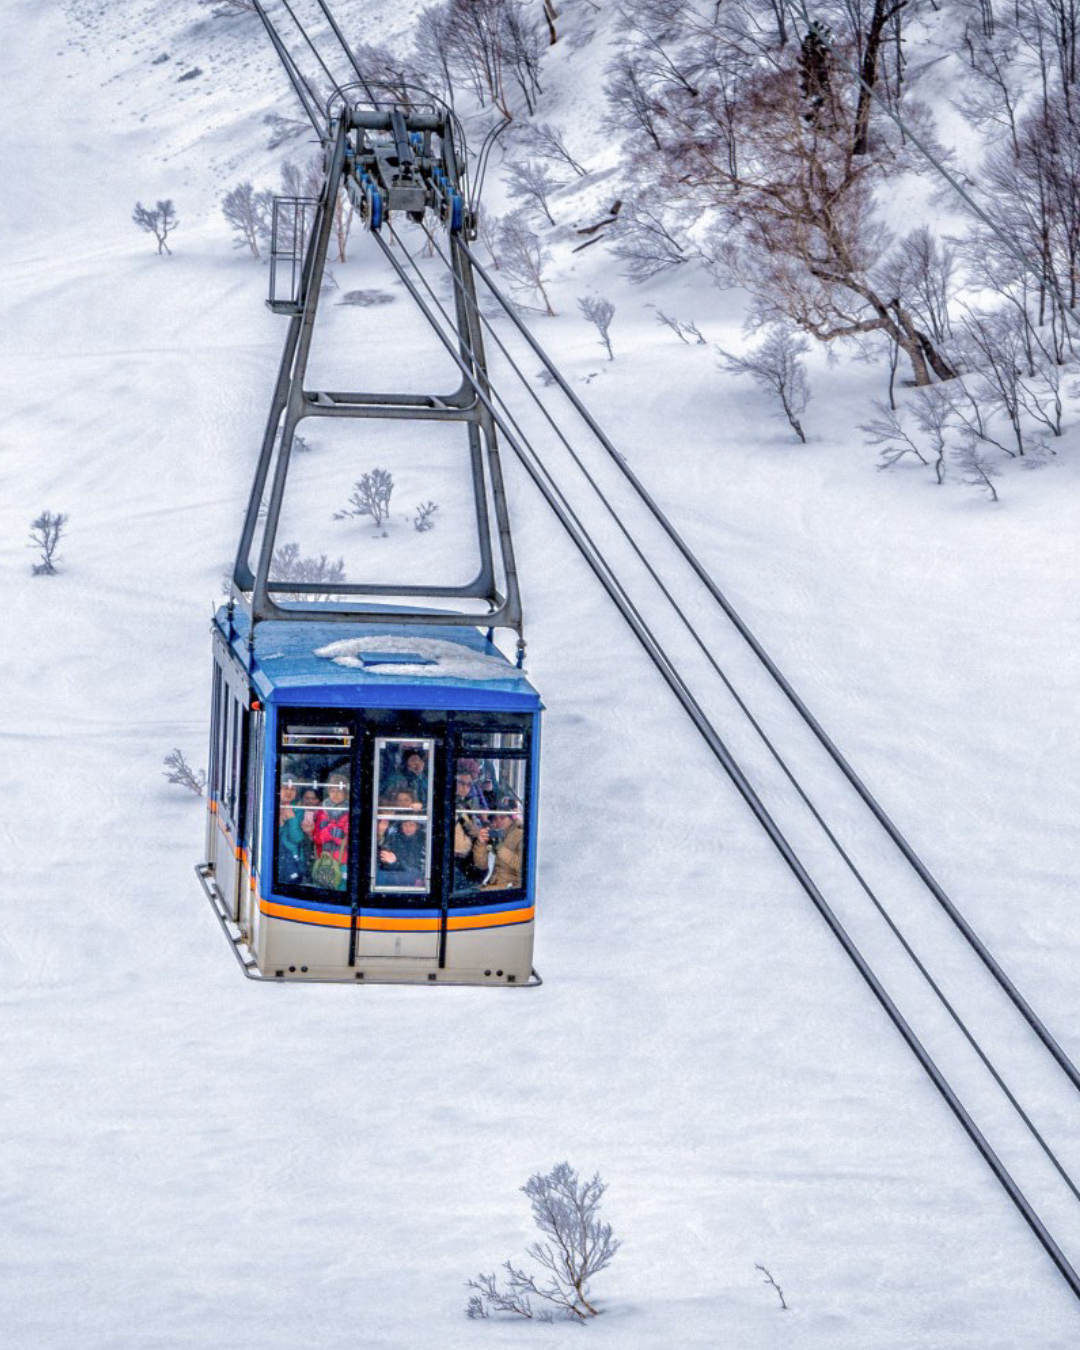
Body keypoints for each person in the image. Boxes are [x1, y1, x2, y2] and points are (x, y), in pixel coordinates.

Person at [312, 769, 349, 891]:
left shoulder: (350, 810)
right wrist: (333, 831)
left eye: (339, 791)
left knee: (342, 888)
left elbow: (347, 838)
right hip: (324, 858)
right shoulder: (322, 810)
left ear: (345, 793)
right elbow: (317, 837)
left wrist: (328, 829)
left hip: (343, 860)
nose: (336, 794)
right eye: (332, 791)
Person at [453, 770, 490, 887]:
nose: (465, 787)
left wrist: (482, 832)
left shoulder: (467, 806)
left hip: (466, 859)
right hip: (452, 860)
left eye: (469, 784)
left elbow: (472, 830)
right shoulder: (446, 803)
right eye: (461, 783)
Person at [484, 799, 524, 890]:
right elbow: (481, 865)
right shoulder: (492, 833)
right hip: (491, 882)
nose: (498, 821)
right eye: (495, 818)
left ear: (510, 819)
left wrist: (500, 848)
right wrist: (481, 843)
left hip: (510, 885)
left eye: (502, 817)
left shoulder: (520, 834)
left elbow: (521, 866)